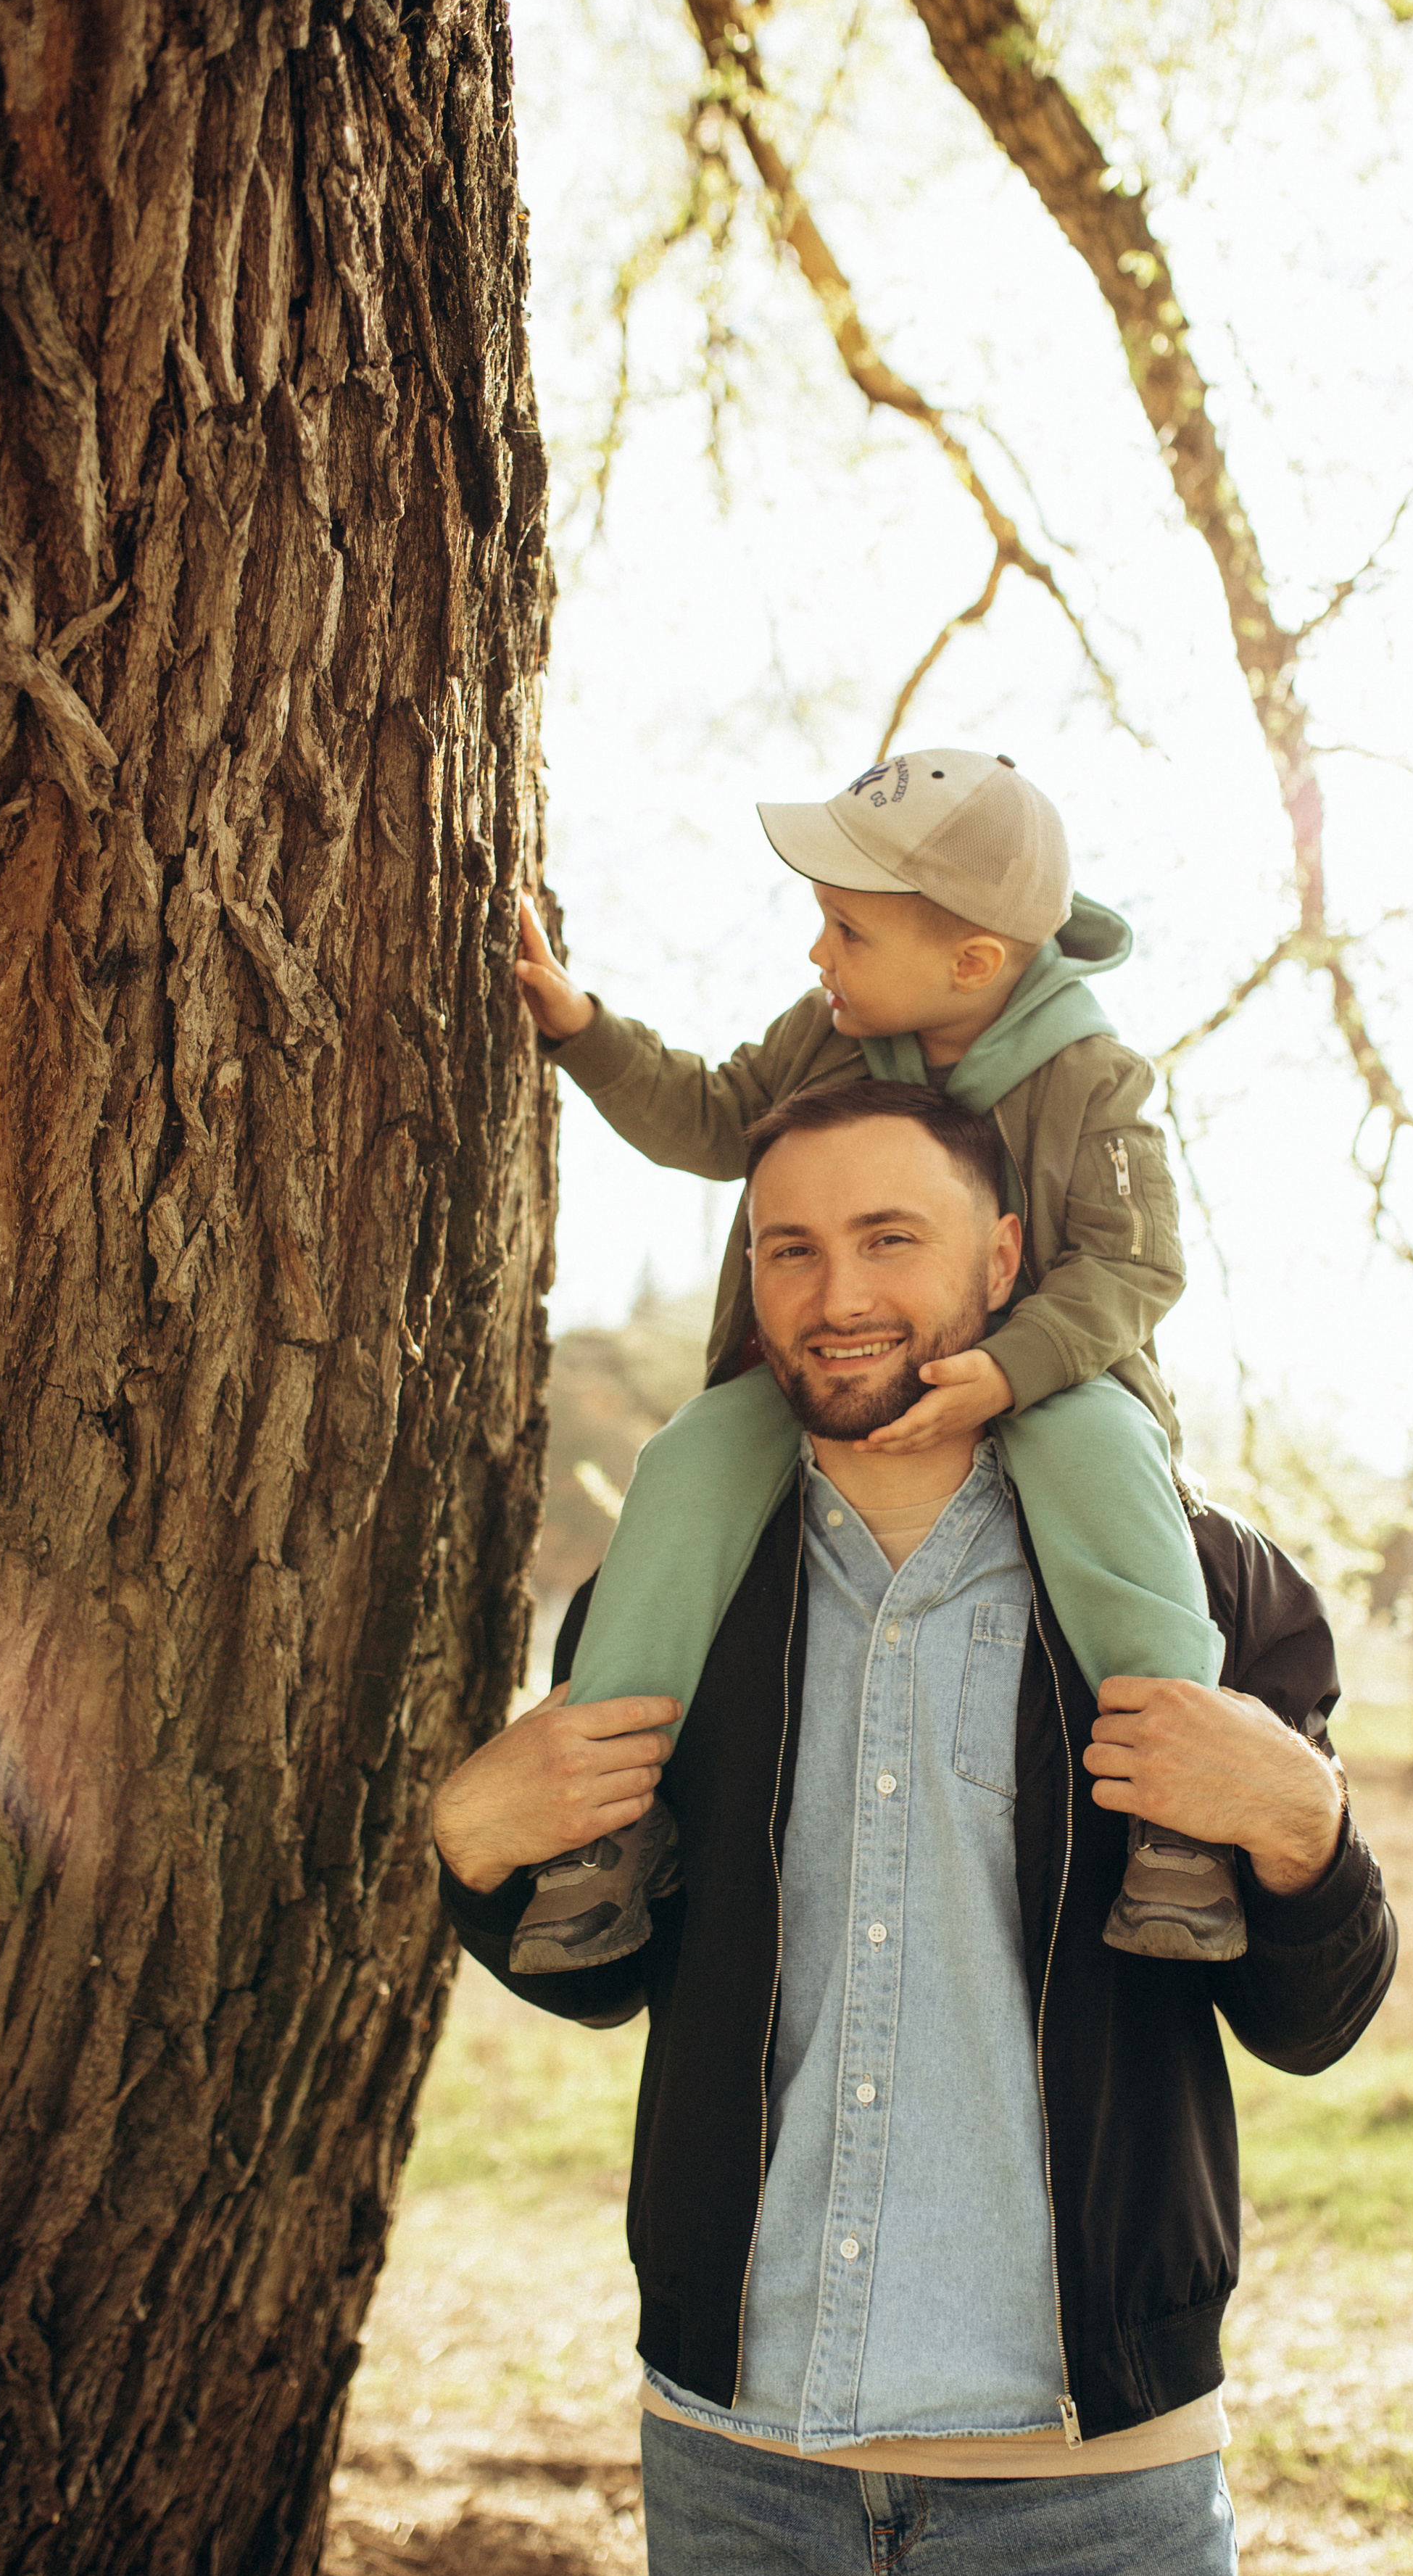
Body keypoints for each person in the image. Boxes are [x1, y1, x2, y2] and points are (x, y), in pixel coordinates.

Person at [434, 1085, 1398, 2576]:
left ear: (1004, 1255)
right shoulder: (665, 1596)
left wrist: (1301, 1829)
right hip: (740, 2475)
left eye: (892, 1237)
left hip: (1090, 2493)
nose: (838, 1294)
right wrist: (477, 1853)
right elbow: (605, 1975)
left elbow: (1310, 2021)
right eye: (789, 1249)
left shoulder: (1208, 1587)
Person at [510, 747, 1243, 1976]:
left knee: (1101, 1455)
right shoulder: (824, 1037)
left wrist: (1017, 1368)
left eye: (846, 933)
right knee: (692, 1458)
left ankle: (1180, 1817)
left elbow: (1137, 1265)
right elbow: (709, 1116)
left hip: (1044, 1374)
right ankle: (604, 1814)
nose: (818, 958)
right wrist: (583, 1032)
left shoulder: (1092, 1079)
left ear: (971, 964)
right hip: (824, 1370)